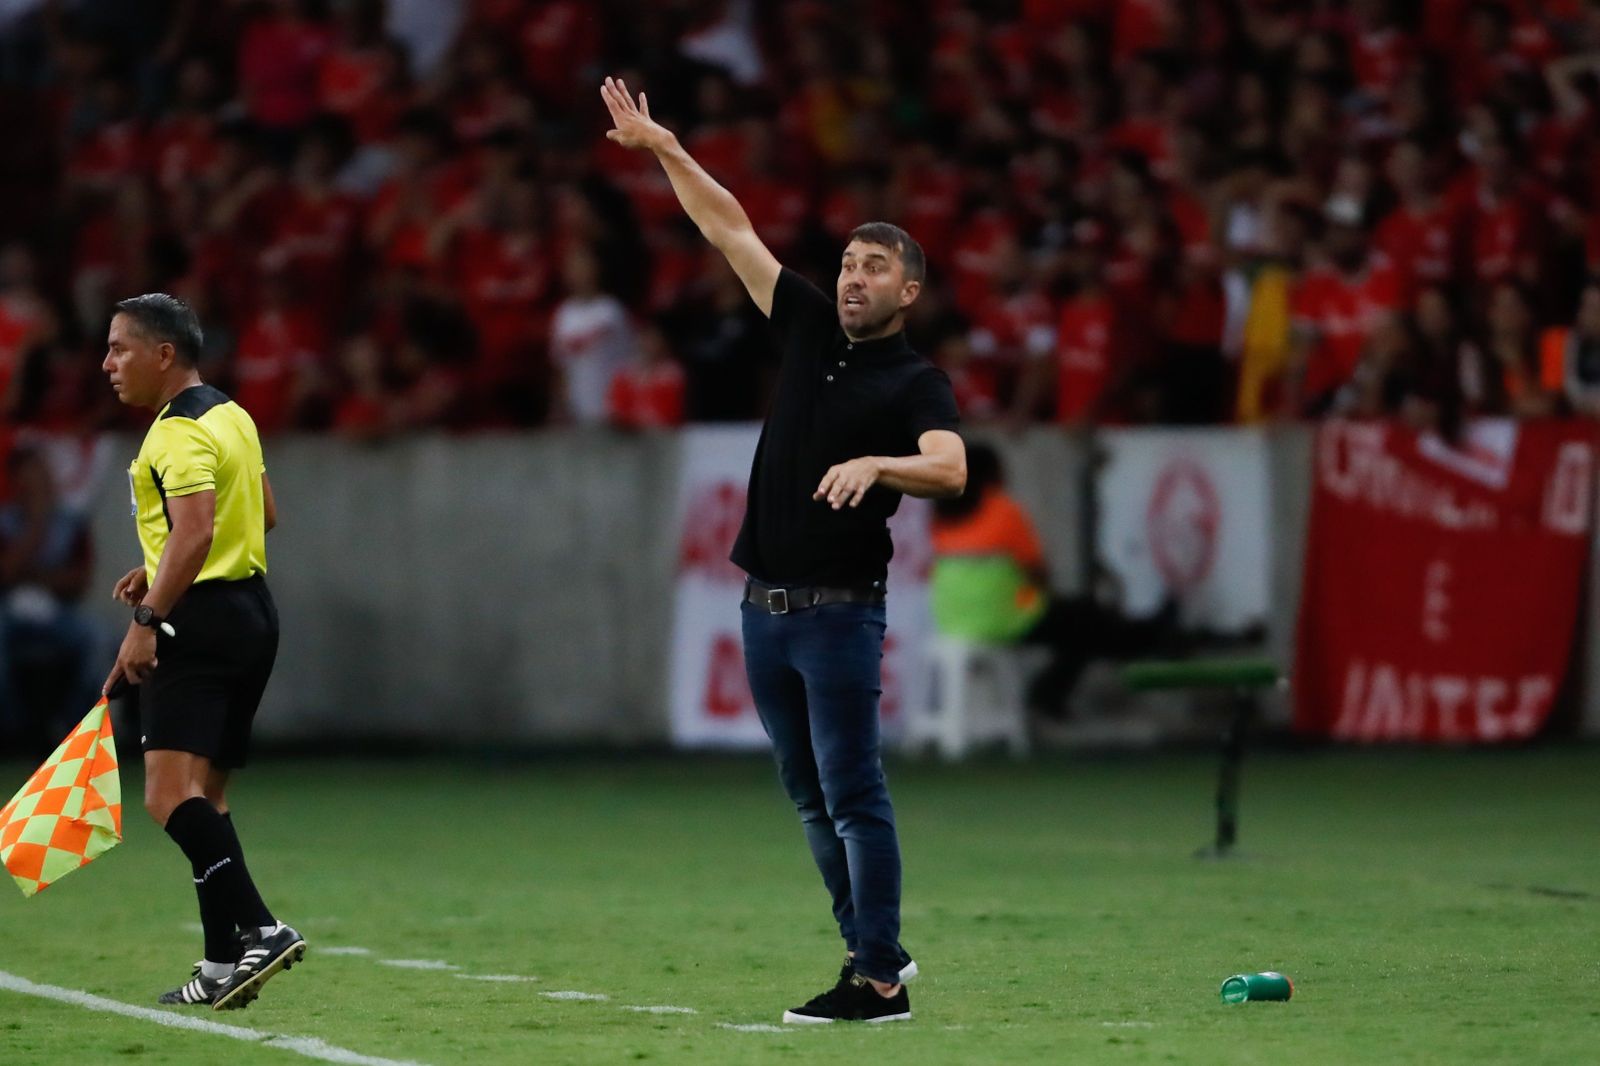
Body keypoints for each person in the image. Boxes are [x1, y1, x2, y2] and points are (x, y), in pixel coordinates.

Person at [601, 77, 966, 1025]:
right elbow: (728, 228)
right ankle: (874, 948)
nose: (853, 278)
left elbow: (951, 468)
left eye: (875, 268)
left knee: (852, 794)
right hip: (764, 609)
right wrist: (666, 148)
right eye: (848, 262)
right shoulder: (806, 325)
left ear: (908, 292)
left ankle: (878, 983)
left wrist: (878, 463)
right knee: (810, 798)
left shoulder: (915, 381)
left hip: (840, 614)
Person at [100, 293, 303, 1011]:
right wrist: (158, 564)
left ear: (163, 355)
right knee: (207, 797)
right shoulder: (231, 415)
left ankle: (263, 929)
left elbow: (194, 531)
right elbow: (263, 513)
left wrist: (148, 616)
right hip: (252, 614)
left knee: (165, 796)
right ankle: (221, 965)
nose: (107, 363)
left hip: (200, 622)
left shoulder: (174, 433)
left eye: (119, 348)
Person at [930, 443, 1181, 717]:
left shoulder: (939, 519)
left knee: (1082, 623)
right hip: (1007, 615)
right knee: (1085, 620)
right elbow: (1037, 571)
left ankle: (1137, 641)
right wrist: (1037, 595)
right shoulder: (1003, 511)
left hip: (951, 619)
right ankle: (1141, 640)